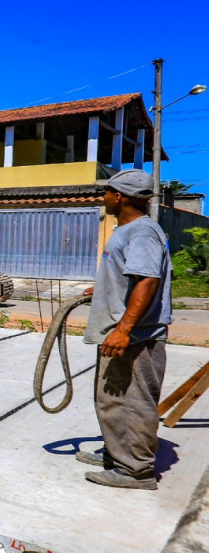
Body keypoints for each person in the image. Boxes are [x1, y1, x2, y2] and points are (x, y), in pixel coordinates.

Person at [79, 169, 171, 490]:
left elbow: (147, 281)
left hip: (135, 338)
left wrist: (124, 329)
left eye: (106, 192)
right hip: (122, 333)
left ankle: (135, 470)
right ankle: (118, 455)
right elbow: (133, 277)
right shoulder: (131, 230)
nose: (103, 198)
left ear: (118, 197)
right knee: (113, 400)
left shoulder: (142, 233)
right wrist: (105, 289)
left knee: (133, 402)